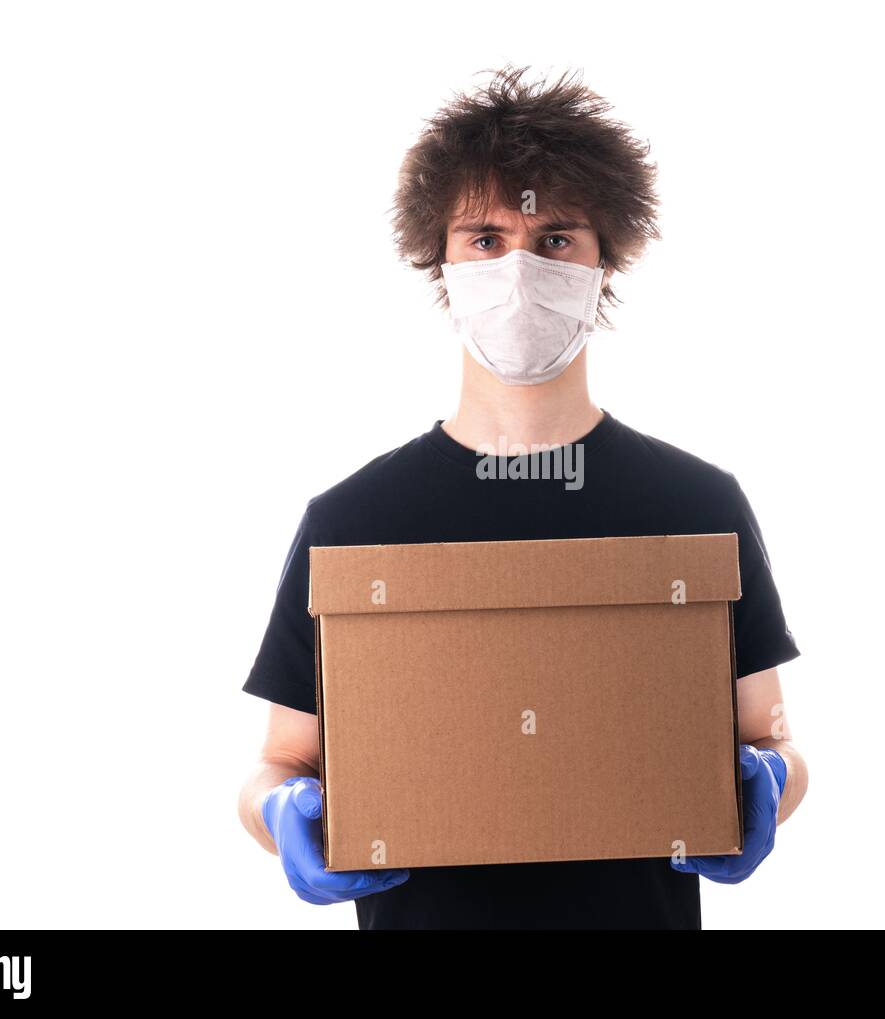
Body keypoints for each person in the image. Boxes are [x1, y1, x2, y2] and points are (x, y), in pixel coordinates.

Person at [236, 65, 808, 930]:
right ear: (441, 259)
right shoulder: (353, 522)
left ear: (603, 259)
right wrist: (282, 815)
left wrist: (770, 783)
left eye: (554, 240)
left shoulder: (698, 505)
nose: (517, 270)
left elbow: (771, 739)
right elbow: (280, 761)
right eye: (484, 238)